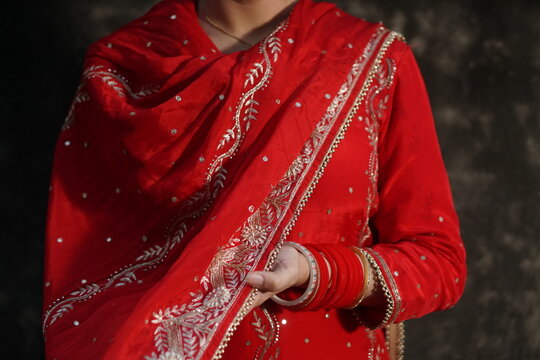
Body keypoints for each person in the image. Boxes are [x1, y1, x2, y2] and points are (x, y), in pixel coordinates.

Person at [42, 0, 467, 359]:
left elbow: (439, 264)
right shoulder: (123, 65)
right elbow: (83, 271)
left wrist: (316, 269)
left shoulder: (370, 61)